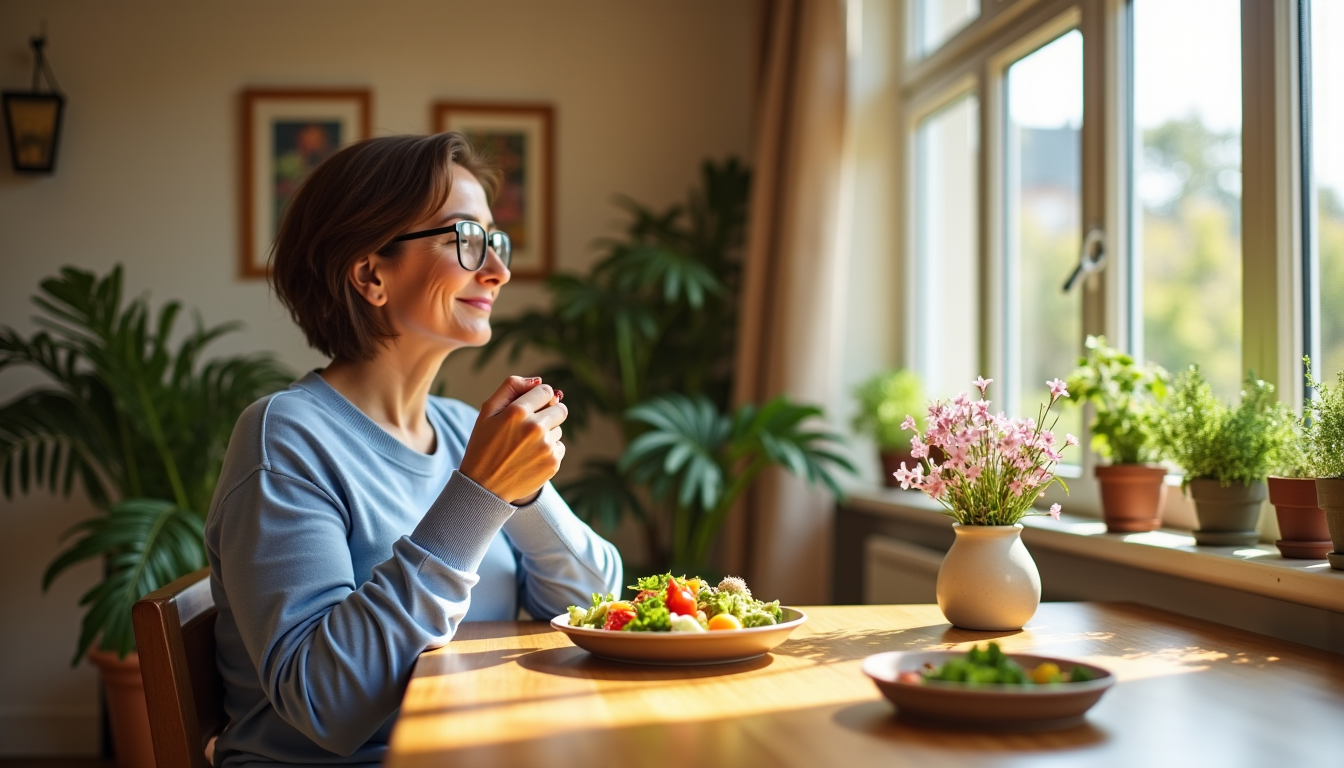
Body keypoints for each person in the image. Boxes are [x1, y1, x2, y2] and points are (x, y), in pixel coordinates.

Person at [205, 132, 623, 767]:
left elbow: (593, 605)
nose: (499, 270)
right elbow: (326, 701)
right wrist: (479, 496)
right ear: (372, 273)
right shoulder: (286, 439)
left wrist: (525, 491)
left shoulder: (462, 430)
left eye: (496, 240)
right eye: (466, 239)